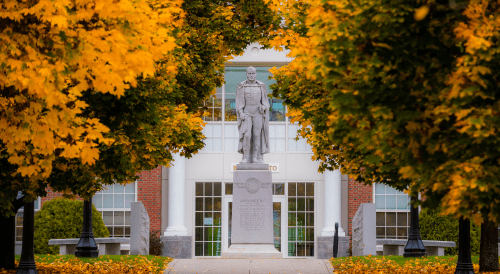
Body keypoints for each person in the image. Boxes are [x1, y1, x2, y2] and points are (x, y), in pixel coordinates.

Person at [235, 67, 270, 163]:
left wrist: (264, 107)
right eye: (249, 73)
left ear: (256, 74)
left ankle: (255, 157)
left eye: (253, 73)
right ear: (246, 74)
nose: (251, 75)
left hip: (258, 113)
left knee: (256, 135)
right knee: (246, 135)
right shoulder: (241, 86)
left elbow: (266, 102)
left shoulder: (261, 86)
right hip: (247, 113)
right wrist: (241, 112)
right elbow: (238, 102)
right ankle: (246, 157)